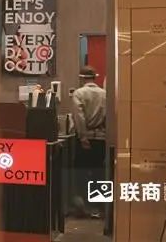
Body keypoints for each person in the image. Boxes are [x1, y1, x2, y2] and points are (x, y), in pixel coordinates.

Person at [71, 65, 107, 218]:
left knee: (81, 173)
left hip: (85, 139)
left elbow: (79, 117)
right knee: (99, 172)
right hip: (101, 138)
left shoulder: (79, 93)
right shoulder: (104, 94)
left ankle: (83, 207)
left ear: (81, 78)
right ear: (94, 78)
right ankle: (99, 209)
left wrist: (83, 137)